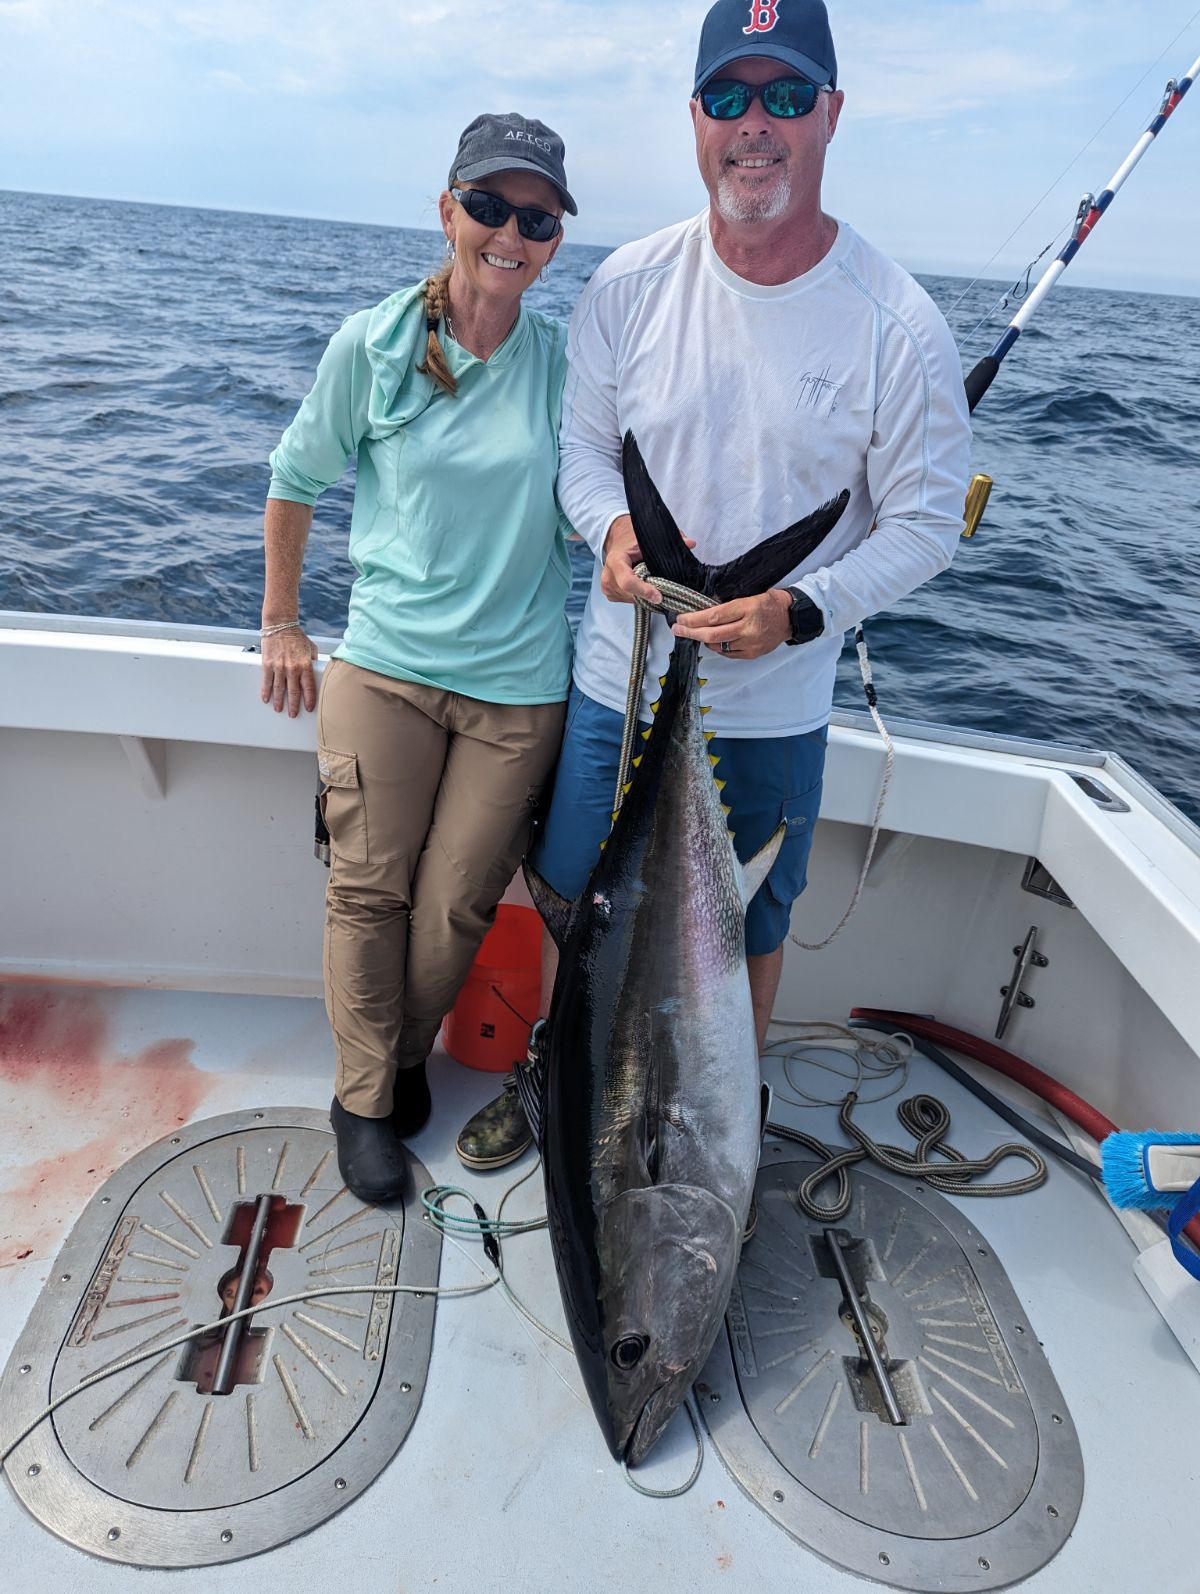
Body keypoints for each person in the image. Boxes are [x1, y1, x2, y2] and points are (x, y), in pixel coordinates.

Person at [455, 0, 971, 1168]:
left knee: (746, 929)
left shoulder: (900, 322)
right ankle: (556, 1085)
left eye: (786, 96)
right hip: (613, 683)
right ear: (694, 118)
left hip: (774, 705)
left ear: (832, 115)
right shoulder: (627, 287)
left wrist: (802, 608)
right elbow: (583, 456)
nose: (756, 124)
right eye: (729, 96)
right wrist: (609, 533)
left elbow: (929, 524)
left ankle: (715, 1147)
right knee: (581, 904)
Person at [261, 113, 579, 1204]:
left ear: (554, 241)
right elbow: (295, 474)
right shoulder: (376, 342)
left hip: (519, 685)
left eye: (534, 217)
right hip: (386, 667)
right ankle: (364, 1099)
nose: (509, 231)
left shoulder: (568, 366)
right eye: (488, 206)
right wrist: (281, 621)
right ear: (447, 211)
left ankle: (399, 1060)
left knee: (454, 906)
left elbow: (599, 506)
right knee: (368, 891)